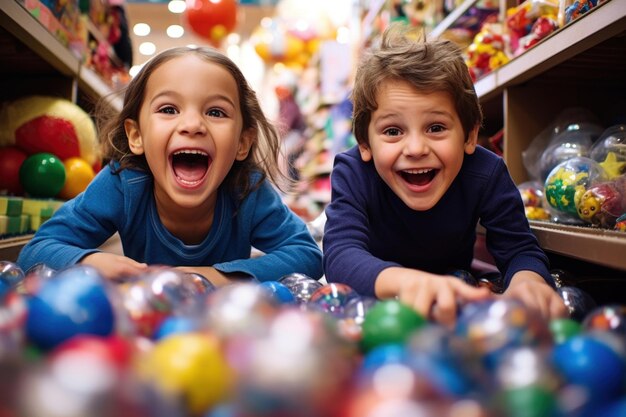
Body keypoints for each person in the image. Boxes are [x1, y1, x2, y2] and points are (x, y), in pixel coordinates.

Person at [323, 24, 566, 327]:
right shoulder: (354, 173)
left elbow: (519, 247)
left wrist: (527, 281)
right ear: (364, 144)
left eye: (436, 128)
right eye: (393, 131)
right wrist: (408, 283)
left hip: (455, 303)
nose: (415, 148)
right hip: (377, 307)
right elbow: (340, 256)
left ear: (469, 136)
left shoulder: (485, 172)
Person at [17, 46, 323, 286]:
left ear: (242, 143)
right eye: (168, 109)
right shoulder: (123, 184)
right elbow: (37, 250)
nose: (192, 124)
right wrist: (89, 262)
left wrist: (216, 277)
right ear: (136, 135)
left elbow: (306, 255)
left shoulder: (246, 190)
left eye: (216, 112)